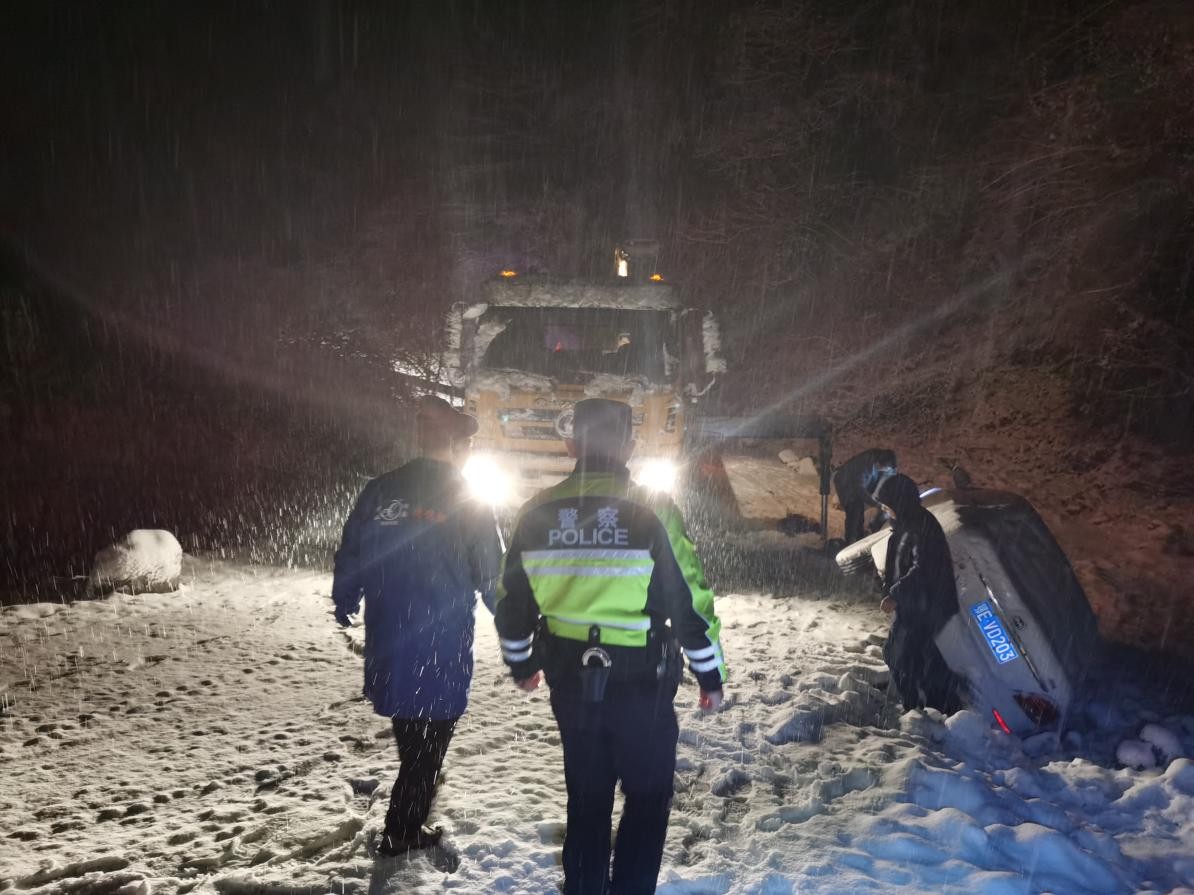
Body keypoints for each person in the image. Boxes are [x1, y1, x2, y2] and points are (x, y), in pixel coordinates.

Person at [495, 398, 726, 895]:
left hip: (571, 684)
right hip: (641, 683)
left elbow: (510, 603)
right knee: (646, 798)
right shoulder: (652, 509)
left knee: (587, 801)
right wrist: (709, 673)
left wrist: (522, 663)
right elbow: (689, 600)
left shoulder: (535, 512)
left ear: (571, 443)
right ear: (628, 445)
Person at [331, 395, 501, 856]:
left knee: (413, 735)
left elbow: (353, 549)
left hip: (390, 637)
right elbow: (491, 573)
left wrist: (345, 596)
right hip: (441, 643)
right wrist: (518, 628)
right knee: (430, 744)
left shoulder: (382, 489)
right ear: (459, 444)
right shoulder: (467, 499)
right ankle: (402, 830)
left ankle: (405, 822)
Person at [872, 473, 965, 715]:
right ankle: (931, 707)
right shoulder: (907, 523)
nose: (884, 511)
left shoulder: (920, 526)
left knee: (901, 656)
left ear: (898, 502)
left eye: (886, 505)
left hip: (927, 605)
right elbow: (900, 562)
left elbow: (923, 567)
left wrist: (896, 594)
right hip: (917, 603)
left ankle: (922, 709)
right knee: (916, 657)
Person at [833, 448, 898, 544]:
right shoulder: (863, 466)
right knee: (854, 511)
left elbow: (889, 477)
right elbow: (860, 491)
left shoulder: (884, 461)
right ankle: (851, 542)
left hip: (861, 482)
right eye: (884, 468)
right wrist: (878, 505)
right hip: (845, 483)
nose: (885, 470)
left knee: (859, 512)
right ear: (878, 464)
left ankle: (859, 538)